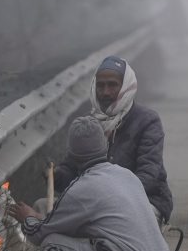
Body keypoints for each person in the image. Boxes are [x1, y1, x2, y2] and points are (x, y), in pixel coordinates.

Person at [8, 117, 176, 251]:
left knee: (52, 245)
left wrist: (28, 217)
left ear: (72, 153)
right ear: (105, 145)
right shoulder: (127, 176)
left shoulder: (81, 189)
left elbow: (39, 234)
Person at [52, 56, 173, 225]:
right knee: (44, 209)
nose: (105, 92)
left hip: (142, 200)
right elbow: (71, 167)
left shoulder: (147, 121)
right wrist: (55, 175)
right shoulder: (89, 122)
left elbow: (148, 175)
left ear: (126, 86)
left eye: (112, 85)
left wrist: (110, 197)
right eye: (100, 86)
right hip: (93, 202)